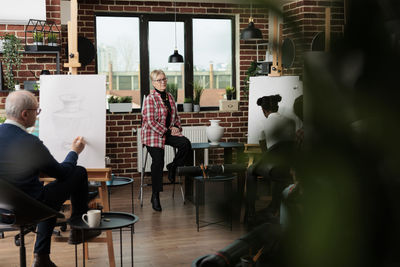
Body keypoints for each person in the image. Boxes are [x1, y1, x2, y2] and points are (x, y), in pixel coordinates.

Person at [0, 91, 100, 267]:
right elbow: (62, 173)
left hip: (3, 210)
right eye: (36, 111)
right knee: (78, 172)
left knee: (48, 193)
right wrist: (74, 152)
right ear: (25, 114)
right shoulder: (29, 142)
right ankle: (78, 229)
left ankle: (42, 258)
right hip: (30, 208)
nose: (37, 115)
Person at [141, 69, 191, 212]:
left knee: (185, 144)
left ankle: (173, 167)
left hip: (167, 132)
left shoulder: (170, 97)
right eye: (159, 80)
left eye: (164, 79)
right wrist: (168, 130)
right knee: (158, 161)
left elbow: (176, 117)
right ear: (153, 82)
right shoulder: (150, 99)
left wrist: (176, 127)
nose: (163, 82)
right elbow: (150, 121)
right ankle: (155, 196)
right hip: (153, 134)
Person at [246, 94, 296, 224]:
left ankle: (250, 213)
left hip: (274, 168)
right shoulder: (291, 122)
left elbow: (264, 150)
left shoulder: (264, 122)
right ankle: (274, 206)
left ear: (263, 110)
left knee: (250, 171)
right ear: (276, 107)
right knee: (279, 174)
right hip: (289, 167)